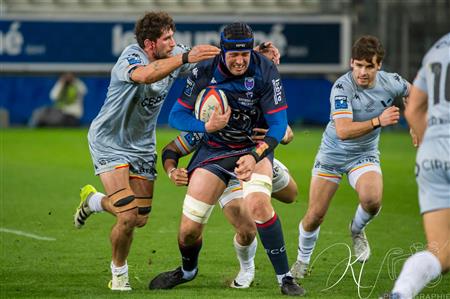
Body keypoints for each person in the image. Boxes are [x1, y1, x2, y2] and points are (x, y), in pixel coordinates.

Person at [73, 12, 280, 291]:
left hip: (143, 145)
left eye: (173, 37)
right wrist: (183, 59)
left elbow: (220, 57)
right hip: (110, 141)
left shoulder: (176, 54)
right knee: (127, 215)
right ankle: (119, 274)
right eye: (167, 39)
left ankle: (94, 201)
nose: (173, 43)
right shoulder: (131, 58)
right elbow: (146, 75)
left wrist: (255, 52)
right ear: (149, 44)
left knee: (139, 218)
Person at [148, 22, 304, 296]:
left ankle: (286, 278)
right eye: (234, 55)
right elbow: (176, 117)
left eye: (245, 54)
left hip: (252, 147)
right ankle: (187, 271)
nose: (241, 60)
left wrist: (256, 155)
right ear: (223, 52)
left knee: (261, 204)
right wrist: (206, 127)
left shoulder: (266, 70)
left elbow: (279, 125)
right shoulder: (204, 70)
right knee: (188, 231)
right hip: (215, 150)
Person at [290, 35, 410, 279]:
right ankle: (301, 262)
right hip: (332, 155)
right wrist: (379, 121)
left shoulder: (392, 82)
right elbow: (344, 131)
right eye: (358, 65)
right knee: (315, 216)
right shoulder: (342, 87)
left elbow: (415, 94)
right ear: (351, 62)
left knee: (372, 200)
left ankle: (356, 230)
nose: (362, 72)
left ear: (379, 66)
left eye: (369, 66)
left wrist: (416, 125)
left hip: (363, 155)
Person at [162, 127, 297, 289]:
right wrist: (172, 171)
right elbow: (171, 149)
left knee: (291, 195)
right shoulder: (208, 125)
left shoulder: (254, 112)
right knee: (247, 231)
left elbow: (287, 132)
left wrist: (281, 135)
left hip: (257, 161)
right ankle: (247, 269)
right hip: (224, 174)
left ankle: (270, 169)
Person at [383, 33, 450, 299]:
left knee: (440, 252)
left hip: (432, 155)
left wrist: (432, 145)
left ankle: (402, 293)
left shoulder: (437, 48)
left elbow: (413, 111)